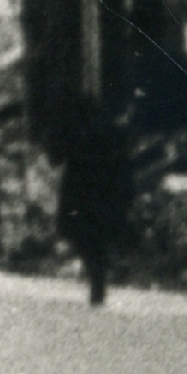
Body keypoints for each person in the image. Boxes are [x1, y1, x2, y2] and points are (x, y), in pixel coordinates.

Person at [57, 95, 137, 306]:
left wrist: (66, 205)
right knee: (98, 243)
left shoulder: (79, 138)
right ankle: (99, 282)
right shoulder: (113, 135)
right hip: (105, 199)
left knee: (89, 243)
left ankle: (98, 283)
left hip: (85, 200)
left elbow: (70, 174)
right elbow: (126, 169)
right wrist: (127, 197)